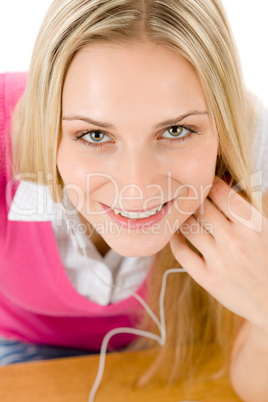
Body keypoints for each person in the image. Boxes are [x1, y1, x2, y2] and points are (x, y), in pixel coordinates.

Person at [1, 0, 268, 400]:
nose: (137, 188)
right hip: (22, 349)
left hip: (187, 351)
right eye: (94, 136)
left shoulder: (249, 151)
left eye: (176, 130)